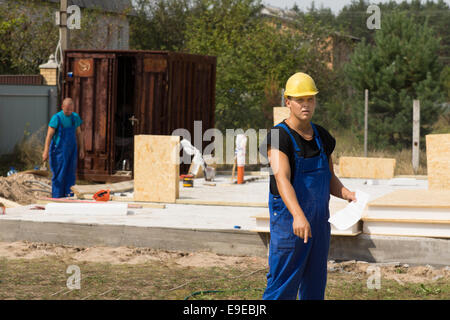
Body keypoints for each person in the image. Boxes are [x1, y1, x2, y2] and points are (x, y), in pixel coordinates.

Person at [260, 72, 356, 300]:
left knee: (315, 286)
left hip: (318, 224)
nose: (306, 104)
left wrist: (347, 194)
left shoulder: (322, 136)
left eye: (310, 99)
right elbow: (281, 179)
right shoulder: (277, 136)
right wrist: (298, 215)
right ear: (288, 102)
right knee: (282, 286)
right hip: (290, 222)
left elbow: (329, 177)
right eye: (300, 99)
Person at [42, 98, 84, 198]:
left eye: (70, 110)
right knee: (59, 174)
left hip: (71, 151)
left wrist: (82, 148)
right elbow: (49, 136)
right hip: (58, 152)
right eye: (67, 110)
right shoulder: (56, 118)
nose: (69, 112)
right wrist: (46, 151)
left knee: (70, 174)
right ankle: (57, 196)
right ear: (62, 107)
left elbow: (79, 133)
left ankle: (69, 195)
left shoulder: (75, 117)